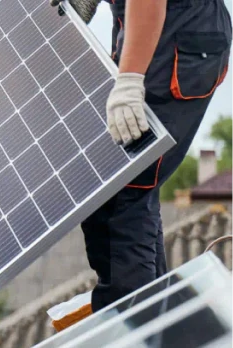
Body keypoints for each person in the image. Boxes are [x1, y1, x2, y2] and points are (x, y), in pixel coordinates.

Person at [53, 0, 232, 311]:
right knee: (116, 191)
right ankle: (159, 326)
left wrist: (130, 80)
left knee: (121, 188)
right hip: (143, 24)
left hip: (174, 28)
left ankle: (139, 327)